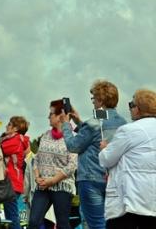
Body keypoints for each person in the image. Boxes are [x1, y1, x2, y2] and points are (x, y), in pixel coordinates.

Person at [60, 80, 127, 229]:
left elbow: (73, 146)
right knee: (112, 223)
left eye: (94, 99)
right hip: (114, 179)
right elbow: (97, 132)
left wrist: (66, 124)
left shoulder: (93, 122)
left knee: (96, 224)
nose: (93, 102)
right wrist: (79, 122)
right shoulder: (122, 122)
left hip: (91, 179)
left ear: (101, 100)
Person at [98, 89, 156, 228]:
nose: (129, 108)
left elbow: (106, 159)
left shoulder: (129, 130)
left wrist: (104, 148)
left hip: (130, 200)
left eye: (131, 104)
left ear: (138, 109)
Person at [26, 101, 78, 229]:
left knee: (62, 224)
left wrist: (53, 180)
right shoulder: (46, 135)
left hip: (62, 186)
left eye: (51, 114)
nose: (48, 117)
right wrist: (37, 177)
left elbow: (72, 165)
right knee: (33, 222)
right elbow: (37, 159)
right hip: (43, 186)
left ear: (60, 116)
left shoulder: (73, 137)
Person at [0, 116, 30, 229]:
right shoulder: (19, 140)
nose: (6, 126)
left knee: (12, 216)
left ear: (16, 128)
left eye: (9, 124)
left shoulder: (15, 140)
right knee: (10, 214)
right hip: (13, 182)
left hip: (11, 182)